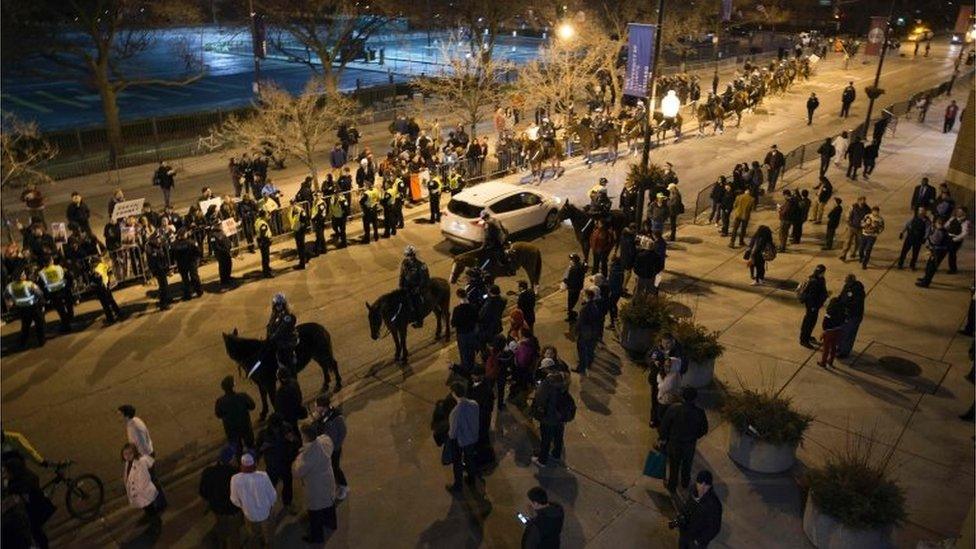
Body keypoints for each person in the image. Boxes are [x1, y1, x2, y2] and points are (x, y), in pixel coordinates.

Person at [294, 422, 338, 543]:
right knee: (329, 504)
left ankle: (317, 537)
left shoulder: (307, 456)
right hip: (327, 480)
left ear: (305, 437)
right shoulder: (324, 441)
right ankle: (331, 524)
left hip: (315, 488)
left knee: (315, 514)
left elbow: (298, 471)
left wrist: (299, 456)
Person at [659, 387, 708, 493]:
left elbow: (664, 425)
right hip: (689, 444)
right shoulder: (699, 412)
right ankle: (685, 482)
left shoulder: (674, 409)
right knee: (687, 464)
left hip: (675, 442)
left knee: (674, 465)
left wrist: (663, 438)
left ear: (682, 397)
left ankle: (672, 485)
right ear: (695, 398)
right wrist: (695, 436)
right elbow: (704, 429)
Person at [198, 446, 243, 549]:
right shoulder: (236, 475)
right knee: (234, 533)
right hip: (233, 511)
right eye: (235, 458)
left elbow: (203, 492)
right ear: (231, 460)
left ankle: (222, 544)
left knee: (222, 527)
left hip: (217, 509)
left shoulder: (208, 472)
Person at [229, 453, 278, 547]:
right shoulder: (263, 476)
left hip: (249, 515)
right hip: (265, 514)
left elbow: (234, 500)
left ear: (241, 465)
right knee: (268, 536)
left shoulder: (235, 479)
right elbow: (273, 495)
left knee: (253, 536)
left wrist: (243, 506)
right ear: (254, 464)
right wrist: (271, 505)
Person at [531, 371, 573, 467]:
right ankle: (556, 454)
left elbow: (540, 400)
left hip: (548, 418)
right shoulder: (564, 385)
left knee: (546, 439)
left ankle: (542, 460)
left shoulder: (547, 386)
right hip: (560, 418)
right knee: (558, 436)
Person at [312, 394, 348, 501]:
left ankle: (343, 485)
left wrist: (334, 446)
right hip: (327, 448)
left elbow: (342, 433)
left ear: (323, 407)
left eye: (317, 405)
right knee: (331, 467)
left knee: (335, 467)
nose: (315, 408)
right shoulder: (323, 414)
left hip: (333, 449)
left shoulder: (335, 417)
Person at [446, 382, 480, 492]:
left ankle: (458, 485)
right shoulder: (474, 404)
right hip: (473, 438)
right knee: (470, 459)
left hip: (462, 441)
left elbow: (452, 433)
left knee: (457, 462)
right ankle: (471, 479)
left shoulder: (455, 412)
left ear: (454, 394)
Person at [676, 470, 723, 549]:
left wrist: (699, 540)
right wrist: (681, 518)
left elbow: (714, 528)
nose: (702, 487)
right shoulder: (692, 491)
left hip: (697, 542)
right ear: (696, 483)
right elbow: (686, 508)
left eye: (706, 484)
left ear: (710, 486)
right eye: (700, 483)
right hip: (685, 535)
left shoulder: (714, 505)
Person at [121, 443, 163, 525]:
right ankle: (150, 518)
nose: (128, 456)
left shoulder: (140, 463)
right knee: (146, 508)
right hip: (139, 493)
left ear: (135, 453)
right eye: (125, 454)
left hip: (144, 493)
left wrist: (140, 490)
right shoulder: (128, 463)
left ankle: (156, 523)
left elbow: (143, 478)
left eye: (130, 453)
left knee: (150, 508)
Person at [4, 269, 45, 349]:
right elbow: (39, 294)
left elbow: (6, 295)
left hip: (21, 308)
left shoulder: (10, 286)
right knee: (39, 324)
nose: (25, 275)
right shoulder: (29, 284)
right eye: (23, 274)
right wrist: (41, 303)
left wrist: (10, 303)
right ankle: (41, 341)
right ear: (21, 277)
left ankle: (23, 343)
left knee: (25, 326)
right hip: (33, 307)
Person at [215, 376, 256, 451]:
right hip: (245, 426)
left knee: (237, 449)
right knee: (250, 446)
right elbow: (252, 406)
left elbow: (218, 414)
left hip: (231, 429)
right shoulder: (243, 396)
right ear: (233, 385)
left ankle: (240, 460)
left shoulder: (220, 401)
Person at [399, 245, 430, 328]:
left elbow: (424, 279)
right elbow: (402, 275)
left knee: (417, 303)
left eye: (411, 255)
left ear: (414, 255)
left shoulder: (421, 265)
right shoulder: (404, 263)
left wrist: (418, 288)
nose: (409, 257)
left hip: (417, 286)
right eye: (407, 255)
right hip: (407, 286)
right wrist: (401, 285)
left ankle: (420, 321)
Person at [798, 264, 829, 348]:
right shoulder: (813, 282)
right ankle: (804, 339)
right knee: (809, 322)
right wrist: (813, 307)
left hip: (816, 305)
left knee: (812, 322)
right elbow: (811, 296)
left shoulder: (821, 279)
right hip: (812, 306)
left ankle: (807, 336)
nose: (824, 274)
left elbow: (822, 290)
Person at [837, 274, 866, 359]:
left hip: (854, 316)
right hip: (846, 314)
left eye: (847, 282)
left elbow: (856, 304)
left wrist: (845, 305)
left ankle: (844, 352)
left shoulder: (858, 290)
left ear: (851, 282)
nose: (845, 283)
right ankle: (840, 347)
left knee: (849, 334)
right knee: (842, 331)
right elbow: (842, 296)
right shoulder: (847, 286)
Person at [267, 293, 298, 370]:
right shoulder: (275, 314)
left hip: (288, 339)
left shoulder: (287, 316)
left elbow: (281, 329)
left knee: (283, 352)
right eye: (276, 304)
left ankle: (291, 369)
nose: (278, 306)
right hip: (278, 338)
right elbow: (270, 326)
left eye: (280, 304)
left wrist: (273, 336)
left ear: (284, 304)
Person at [916, 217, 951, 288]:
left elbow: (934, 241)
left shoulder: (940, 231)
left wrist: (929, 237)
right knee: (929, 265)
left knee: (931, 267)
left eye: (937, 223)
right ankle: (925, 278)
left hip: (938, 252)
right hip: (936, 251)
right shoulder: (942, 230)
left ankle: (926, 283)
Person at [573, 289, 601, 375]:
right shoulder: (594, 305)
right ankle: (589, 363)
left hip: (585, 332)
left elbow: (580, 322)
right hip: (593, 331)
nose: (581, 297)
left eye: (583, 295)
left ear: (587, 297)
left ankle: (581, 367)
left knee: (581, 350)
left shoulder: (584, 309)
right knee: (590, 349)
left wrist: (575, 331)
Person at [89, 255, 123, 324]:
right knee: (111, 300)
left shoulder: (96, 270)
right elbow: (108, 271)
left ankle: (110, 318)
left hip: (101, 288)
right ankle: (118, 312)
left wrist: (92, 284)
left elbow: (97, 280)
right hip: (107, 285)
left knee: (105, 304)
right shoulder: (103, 265)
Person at [171, 229, 203, 301]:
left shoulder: (175, 244)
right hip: (190, 262)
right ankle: (198, 291)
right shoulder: (191, 242)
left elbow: (173, 255)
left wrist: (175, 262)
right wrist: (196, 260)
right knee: (194, 277)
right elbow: (198, 251)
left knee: (185, 279)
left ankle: (188, 294)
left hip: (182, 264)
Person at [451, 288, 479, 370]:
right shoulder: (473, 307)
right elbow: (477, 319)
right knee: (471, 350)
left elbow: (453, 323)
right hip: (471, 332)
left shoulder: (457, 309)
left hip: (462, 334)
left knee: (463, 351)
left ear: (459, 296)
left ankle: (465, 368)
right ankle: (472, 365)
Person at [839, 196, 870, 262]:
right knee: (847, 241)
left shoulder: (867, 209)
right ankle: (843, 255)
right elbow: (848, 215)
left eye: (864, 200)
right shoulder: (853, 207)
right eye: (861, 200)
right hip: (852, 227)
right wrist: (848, 222)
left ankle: (853, 253)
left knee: (857, 242)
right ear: (858, 201)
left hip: (860, 229)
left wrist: (865, 225)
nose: (863, 202)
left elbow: (869, 218)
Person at [818, 297, 847, 368]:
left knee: (826, 348)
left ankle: (823, 362)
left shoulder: (829, 312)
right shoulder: (843, 312)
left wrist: (824, 331)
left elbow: (825, 323)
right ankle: (830, 361)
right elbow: (845, 321)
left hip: (829, 332)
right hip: (838, 331)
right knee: (834, 347)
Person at [562, 253, 587, 322]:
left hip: (572, 288)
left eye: (571, 259)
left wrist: (565, 282)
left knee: (571, 303)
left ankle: (571, 317)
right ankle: (573, 314)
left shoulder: (573, 269)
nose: (570, 260)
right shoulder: (581, 266)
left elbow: (568, 279)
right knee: (575, 301)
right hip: (578, 287)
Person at [946, 207, 971, 274]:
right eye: (958, 211)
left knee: (952, 254)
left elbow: (964, 233)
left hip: (955, 240)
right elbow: (946, 225)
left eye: (960, 211)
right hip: (948, 237)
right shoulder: (953, 218)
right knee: (948, 253)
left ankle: (953, 269)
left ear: (964, 213)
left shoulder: (965, 221)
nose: (958, 212)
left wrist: (955, 239)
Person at [254, 210, 274, 278]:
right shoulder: (263, 223)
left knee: (264, 257)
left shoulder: (258, 221)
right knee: (266, 257)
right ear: (263, 216)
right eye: (267, 215)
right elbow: (263, 234)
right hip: (264, 241)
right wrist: (266, 241)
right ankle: (267, 273)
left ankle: (266, 268)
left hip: (261, 241)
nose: (268, 216)